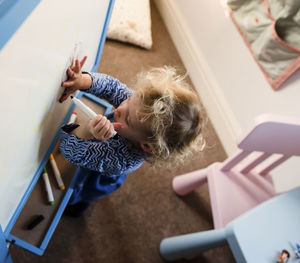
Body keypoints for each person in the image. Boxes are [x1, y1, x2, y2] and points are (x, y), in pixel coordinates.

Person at [59, 56, 205, 217]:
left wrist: (86, 131)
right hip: (103, 146)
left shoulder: (122, 160)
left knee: (79, 191)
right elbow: (112, 87)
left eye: (127, 119)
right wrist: (83, 81)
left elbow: (70, 151)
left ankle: (78, 205)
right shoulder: (139, 107)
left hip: (97, 175)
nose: (120, 108)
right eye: (129, 99)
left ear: (147, 146)